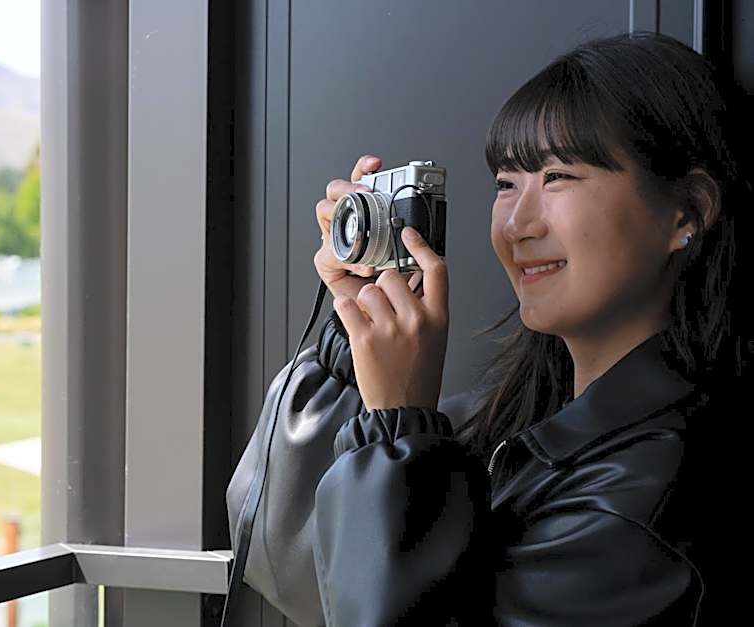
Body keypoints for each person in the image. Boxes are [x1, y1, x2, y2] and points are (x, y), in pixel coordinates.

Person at [226, 30, 752, 626]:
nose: (518, 224)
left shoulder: (649, 499)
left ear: (688, 211)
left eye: (559, 177)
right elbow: (291, 571)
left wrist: (397, 429)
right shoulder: (505, 426)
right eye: (507, 183)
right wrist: (354, 342)